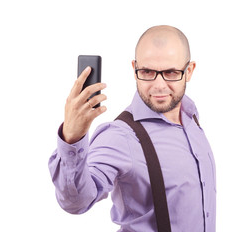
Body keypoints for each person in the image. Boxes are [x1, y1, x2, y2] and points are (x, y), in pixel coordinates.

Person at [48, 25, 216, 232]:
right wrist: (72, 138)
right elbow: (76, 202)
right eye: (147, 71)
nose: (159, 85)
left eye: (171, 72)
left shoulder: (191, 118)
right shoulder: (120, 136)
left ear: (188, 71)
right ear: (135, 70)